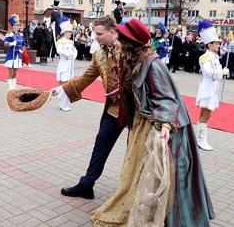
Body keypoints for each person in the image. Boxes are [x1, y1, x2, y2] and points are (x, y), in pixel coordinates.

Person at [91, 18, 215, 226]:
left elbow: (167, 98)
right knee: (140, 171)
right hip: (146, 120)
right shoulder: (136, 59)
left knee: (165, 174)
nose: (117, 42)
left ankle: (174, 218)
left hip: (163, 125)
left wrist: (165, 126)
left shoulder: (152, 64)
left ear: (131, 43)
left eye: (121, 38)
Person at [55, 15, 125, 199]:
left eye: (100, 33)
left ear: (113, 31)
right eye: (95, 33)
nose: (96, 37)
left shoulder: (129, 49)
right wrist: (62, 89)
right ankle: (87, 184)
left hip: (138, 110)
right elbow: (86, 77)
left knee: (139, 150)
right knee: (101, 143)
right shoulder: (99, 54)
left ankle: (140, 190)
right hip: (115, 109)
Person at [195, 21, 229, 151]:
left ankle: (201, 138)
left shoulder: (214, 56)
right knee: (206, 114)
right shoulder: (204, 57)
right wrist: (222, 72)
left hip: (212, 89)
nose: (219, 45)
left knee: (207, 114)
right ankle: (201, 140)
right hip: (207, 89)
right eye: (217, 43)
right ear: (209, 44)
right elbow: (208, 72)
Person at [55, 16, 77, 111]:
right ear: (64, 32)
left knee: (68, 84)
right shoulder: (60, 41)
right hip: (64, 63)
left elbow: (75, 51)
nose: (71, 33)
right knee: (63, 84)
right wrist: (67, 54)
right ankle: (62, 104)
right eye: (69, 32)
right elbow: (59, 50)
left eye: (71, 32)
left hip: (70, 64)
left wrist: (73, 55)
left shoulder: (71, 42)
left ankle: (65, 103)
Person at [4, 14, 25, 89]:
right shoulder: (10, 34)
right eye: (16, 25)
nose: (18, 26)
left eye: (18, 25)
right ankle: (10, 87)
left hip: (18, 56)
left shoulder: (21, 35)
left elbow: (23, 44)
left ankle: (14, 86)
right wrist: (11, 43)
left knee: (15, 72)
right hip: (11, 56)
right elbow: (5, 44)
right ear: (13, 26)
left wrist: (22, 50)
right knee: (11, 72)